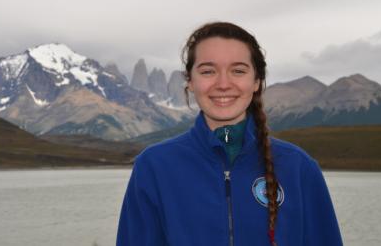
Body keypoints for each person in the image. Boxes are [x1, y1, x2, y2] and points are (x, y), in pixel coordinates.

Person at [116, 22, 343, 246]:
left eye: (238, 71)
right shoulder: (155, 166)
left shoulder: (299, 167)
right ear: (190, 82)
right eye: (208, 71)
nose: (223, 84)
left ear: (256, 81)